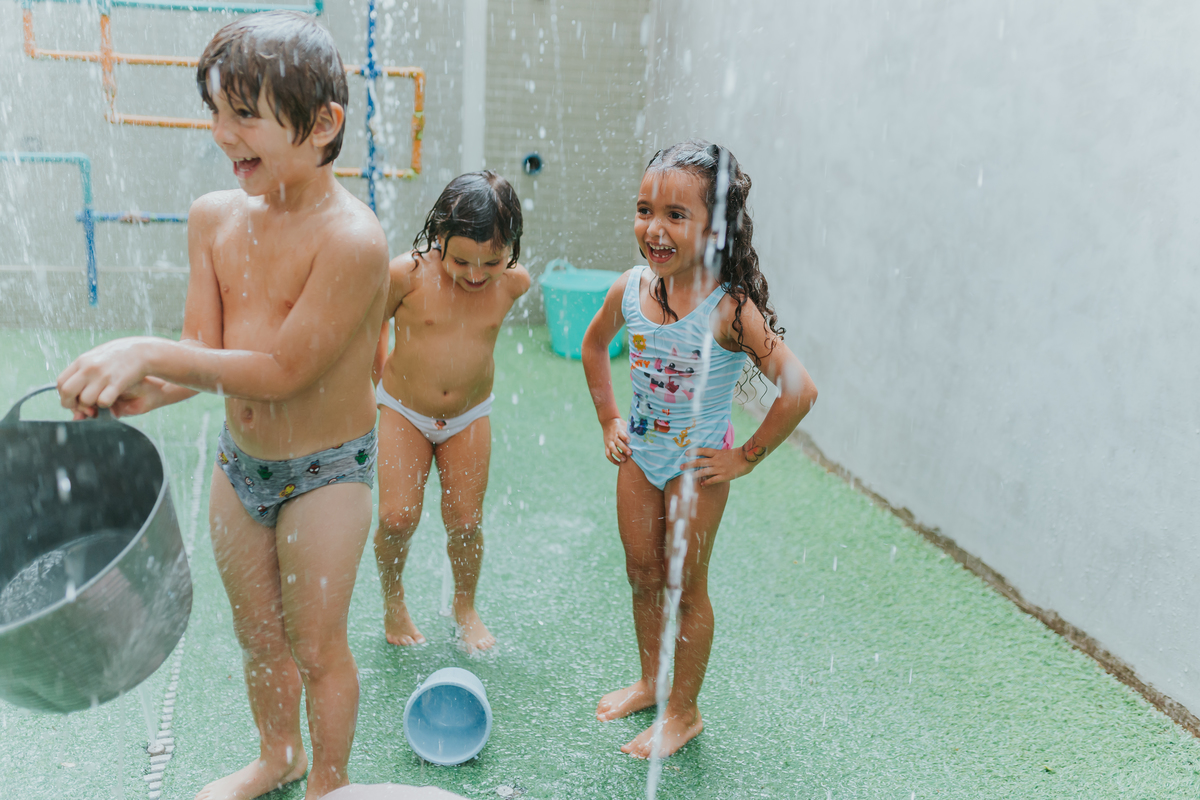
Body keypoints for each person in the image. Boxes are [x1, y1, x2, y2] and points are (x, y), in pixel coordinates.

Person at [55, 12, 388, 799]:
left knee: (316, 646)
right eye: (215, 110)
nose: (221, 132)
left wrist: (149, 352)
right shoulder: (214, 219)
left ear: (323, 125)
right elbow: (206, 353)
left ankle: (329, 784)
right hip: (242, 468)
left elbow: (277, 369)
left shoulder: (351, 239)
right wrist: (144, 390)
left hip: (327, 472)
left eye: (244, 113)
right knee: (259, 638)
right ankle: (280, 755)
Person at [581, 140, 818, 758]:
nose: (654, 229)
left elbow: (799, 390)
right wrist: (610, 419)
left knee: (685, 587)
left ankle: (683, 713)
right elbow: (592, 346)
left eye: (675, 215)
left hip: (697, 468)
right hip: (640, 457)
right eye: (644, 210)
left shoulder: (729, 310)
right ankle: (652, 682)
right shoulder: (630, 290)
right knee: (641, 574)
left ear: (715, 228)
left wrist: (745, 456)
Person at [372, 171, 529, 653]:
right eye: (461, 260)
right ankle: (393, 601)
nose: (477, 274)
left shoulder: (513, 284)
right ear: (438, 237)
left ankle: (465, 605)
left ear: (511, 250)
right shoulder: (407, 274)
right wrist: (377, 380)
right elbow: (373, 324)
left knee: (465, 521)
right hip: (403, 409)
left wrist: (496, 272)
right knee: (397, 517)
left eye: (492, 261)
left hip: (468, 416)